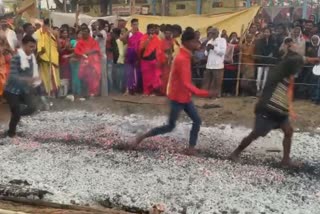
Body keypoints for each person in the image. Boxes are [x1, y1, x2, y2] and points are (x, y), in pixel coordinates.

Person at [229, 38, 320, 168]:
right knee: (257, 133)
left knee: (288, 131)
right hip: (268, 107)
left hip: (280, 108)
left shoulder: (287, 73)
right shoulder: (281, 68)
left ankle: (285, 160)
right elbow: (295, 60)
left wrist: (290, 108)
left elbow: (289, 90)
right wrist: (314, 59)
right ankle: (235, 153)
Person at [132, 28, 216, 155]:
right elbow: (187, 83)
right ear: (187, 42)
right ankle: (142, 137)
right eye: (194, 41)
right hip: (178, 98)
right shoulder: (182, 58)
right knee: (170, 126)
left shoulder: (185, 56)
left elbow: (187, 81)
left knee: (196, 121)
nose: (197, 44)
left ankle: (191, 148)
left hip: (184, 97)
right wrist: (206, 93)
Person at [3, 35, 40, 138]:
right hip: (12, 90)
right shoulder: (16, 57)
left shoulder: (31, 57)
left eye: (34, 47)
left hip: (23, 89)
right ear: (23, 45)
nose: (32, 49)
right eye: (30, 47)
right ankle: (11, 133)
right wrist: (27, 79)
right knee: (16, 112)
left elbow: (30, 73)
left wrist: (33, 81)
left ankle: (16, 116)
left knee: (32, 107)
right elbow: (13, 76)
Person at [34, 18, 60, 96]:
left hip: (45, 56)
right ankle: (53, 93)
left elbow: (35, 46)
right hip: (46, 56)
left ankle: (50, 92)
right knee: (52, 74)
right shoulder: (55, 32)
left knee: (47, 75)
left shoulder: (37, 32)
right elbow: (58, 46)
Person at [74, 26, 101, 97]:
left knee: (94, 77)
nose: (84, 34)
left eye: (85, 33)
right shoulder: (79, 42)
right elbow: (76, 52)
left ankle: (93, 93)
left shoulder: (93, 41)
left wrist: (88, 53)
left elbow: (96, 50)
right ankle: (85, 93)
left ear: (89, 33)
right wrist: (83, 54)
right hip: (83, 63)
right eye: (83, 33)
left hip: (93, 63)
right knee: (83, 78)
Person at [202, 27, 227, 98]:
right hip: (209, 65)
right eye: (210, 33)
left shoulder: (222, 40)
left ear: (217, 33)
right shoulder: (209, 41)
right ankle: (206, 94)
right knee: (207, 81)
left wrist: (214, 48)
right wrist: (207, 49)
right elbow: (205, 54)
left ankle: (216, 95)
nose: (211, 34)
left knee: (217, 81)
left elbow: (222, 52)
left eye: (213, 33)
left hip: (218, 65)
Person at [139, 24, 162, 95]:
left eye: (153, 30)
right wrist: (148, 39)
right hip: (145, 61)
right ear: (147, 30)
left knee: (154, 77)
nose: (152, 31)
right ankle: (146, 91)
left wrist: (158, 60)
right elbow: (141, 47)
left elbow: (159, 50)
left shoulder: (157, 39)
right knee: (145, 78)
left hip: (154, 61)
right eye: (150, 29)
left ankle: (153, 92)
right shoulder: (144, 37)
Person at [124, 18, 143, 95]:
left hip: (137, 55)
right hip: (129, 54)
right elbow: (122, 39)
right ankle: (128, 89)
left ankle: (135, 89)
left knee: (136, 73)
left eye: (137, 24)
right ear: (131, 25)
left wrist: (139, 58)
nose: (136, 26)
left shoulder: (140, 34)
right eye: (134, 24)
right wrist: (129, 31)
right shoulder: (129, 34)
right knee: (129, 72)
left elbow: (141, 47)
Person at [92, 19, 108, 96]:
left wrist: (96, 29)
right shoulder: (97, 32)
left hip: (102, 56)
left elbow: (100, 36)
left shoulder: (103, 32)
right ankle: (98, 91)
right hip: (96, 56)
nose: (96, 24)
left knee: (103, 74)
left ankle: (104, 93)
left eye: (97, 23)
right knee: (97, 74)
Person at [160, 25, 174, 95]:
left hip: (171, 61)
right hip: (164, 61)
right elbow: (160, 51)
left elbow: (175, 50)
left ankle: (170, 91)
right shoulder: (162, 41)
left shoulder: (173, 41)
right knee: (164, 76)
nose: (167, 35)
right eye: (166, 33)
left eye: (169, 33)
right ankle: (163, 91)